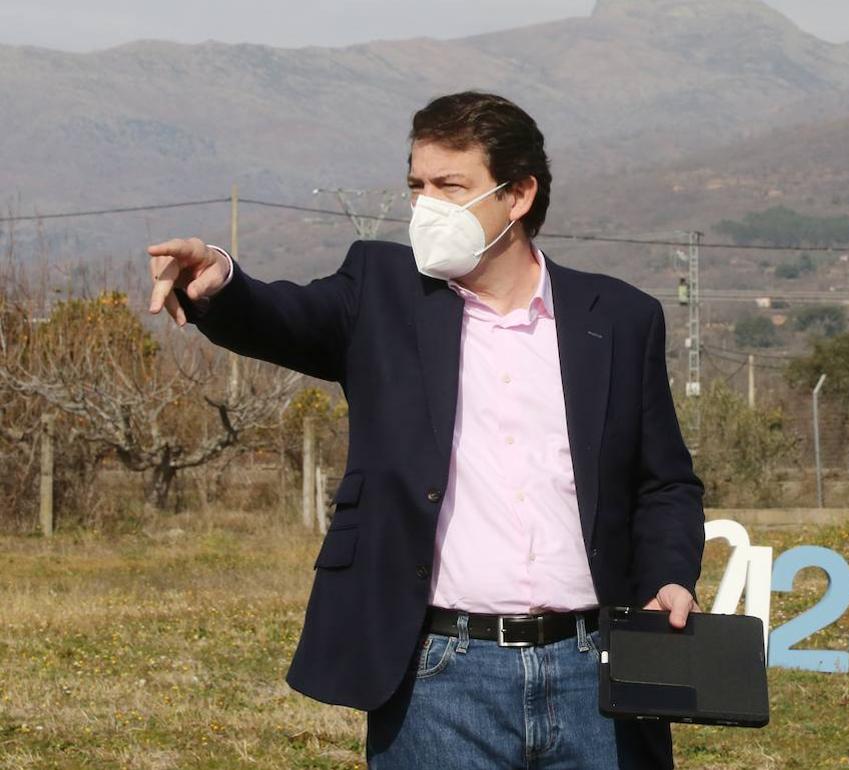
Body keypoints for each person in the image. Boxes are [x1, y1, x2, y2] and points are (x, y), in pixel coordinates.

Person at [145, 91, 705, 769]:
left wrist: (670, 576)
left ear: (518, 194)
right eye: (417, 186)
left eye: (451, 186)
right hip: (439, 680)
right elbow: (281, 316)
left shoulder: (618, 316)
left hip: (597, 671)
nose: (426, 206)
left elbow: (664, 482)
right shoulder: (379, 291)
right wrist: (221, 280)